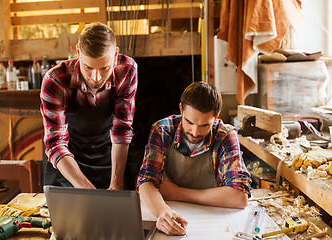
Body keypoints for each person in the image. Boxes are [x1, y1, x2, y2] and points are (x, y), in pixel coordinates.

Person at [137, 81, 251, 235]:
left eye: (204, 125)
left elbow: (239, 196)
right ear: (181, 110)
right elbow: (146, 182)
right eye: (189, 122)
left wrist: (178, 193)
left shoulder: (225, 135)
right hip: (168, 207)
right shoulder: (162, 130)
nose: (195, 132)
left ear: (216, 117)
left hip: (212, 218)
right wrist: (163, 213)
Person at [40, 23, 138, 190]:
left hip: (108, 155)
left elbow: (122, 130)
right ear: (78, 52)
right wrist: (86, 189)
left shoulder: (126, 70)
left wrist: (116, 183)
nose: (96, 77)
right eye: (88, 67)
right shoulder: (55, 80)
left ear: (115, 55)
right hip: (67, 161)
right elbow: (56, 143)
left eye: (105, 68)